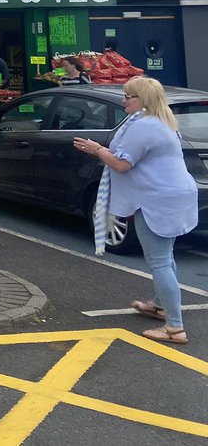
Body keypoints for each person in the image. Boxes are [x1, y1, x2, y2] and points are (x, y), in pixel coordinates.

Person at [74, 76, 198, 345]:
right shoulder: (163, 122)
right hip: (174, 196)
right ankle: (160, 305)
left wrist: (96, 150)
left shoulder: (144, 127)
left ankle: (174, 328)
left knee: (160, 261)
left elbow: (121, 164)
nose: (123, 100)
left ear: (142, 100)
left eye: (128, 96)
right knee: (166, 257)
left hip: (156, 200)